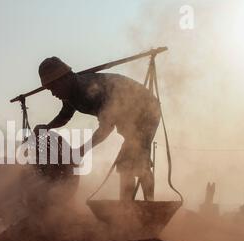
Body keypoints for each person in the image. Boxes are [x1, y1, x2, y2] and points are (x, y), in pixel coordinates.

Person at [34, 57, 161, 201]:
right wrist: (47, 127)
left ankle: (146, 205)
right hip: (126, 119)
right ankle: (127, 208)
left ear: (65, 79)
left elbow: (106, 127)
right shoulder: (69, 94)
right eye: (50, 89)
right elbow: (65, 116)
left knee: (137, 160)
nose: (53, 94)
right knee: (126, 164)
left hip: (146, 111)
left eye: (53, 88)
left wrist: (81, 151)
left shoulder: (90, 89)